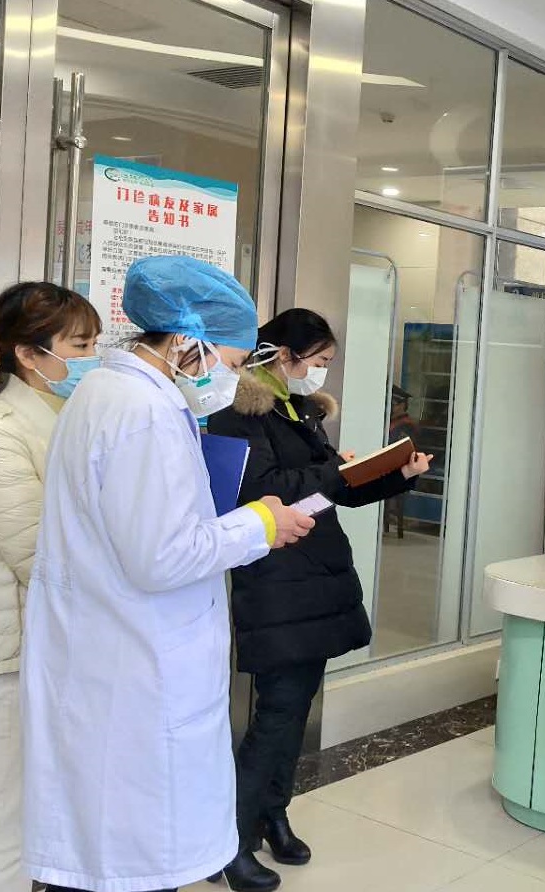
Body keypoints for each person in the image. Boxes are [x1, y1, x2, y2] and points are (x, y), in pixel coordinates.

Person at [20, 256, 316, 892]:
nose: (231, 379)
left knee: (105, 851)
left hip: (112, 653)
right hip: (135, 668)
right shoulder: (143, 411)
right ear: (187, 342)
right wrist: (260, 524)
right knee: (132, 855)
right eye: (231, 362)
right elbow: (163, 557)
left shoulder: (109, 393)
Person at [206, 308, 431, 891]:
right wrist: (331, 475)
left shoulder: (299, 410)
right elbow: (258, 492)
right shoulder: (238, 412)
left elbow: (333, 492)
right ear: (285, 354)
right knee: (277, 714)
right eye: (319, 360)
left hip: (315, 575)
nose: (322, 372)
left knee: (295, 709)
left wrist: (394, 475)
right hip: (276, 578)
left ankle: (273, 814)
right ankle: (231, 842)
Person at [0, 283, 101, 892]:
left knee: (39, 809)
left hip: (44, 639)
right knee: (11, 813)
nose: (90, 359)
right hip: (6, 648)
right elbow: (38, 552)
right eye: (79, 346)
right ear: (29, 355)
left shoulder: (60, 416)